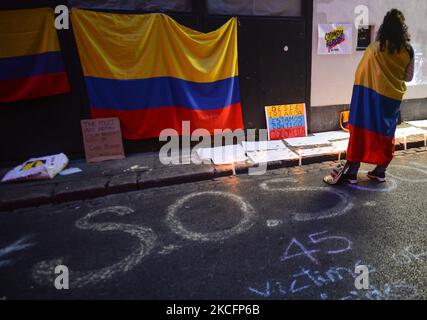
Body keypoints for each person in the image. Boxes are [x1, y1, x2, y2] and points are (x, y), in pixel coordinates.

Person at [342, 9, 415, 184]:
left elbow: (360, 73)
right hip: (390, 101)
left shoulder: (374, 48)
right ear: (402, 28)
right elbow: (409, 77)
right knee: (385, 134)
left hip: (367, 98)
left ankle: (352, 172)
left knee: (361, 131)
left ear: (384, 27)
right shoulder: (408, 50)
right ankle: (380, 171)